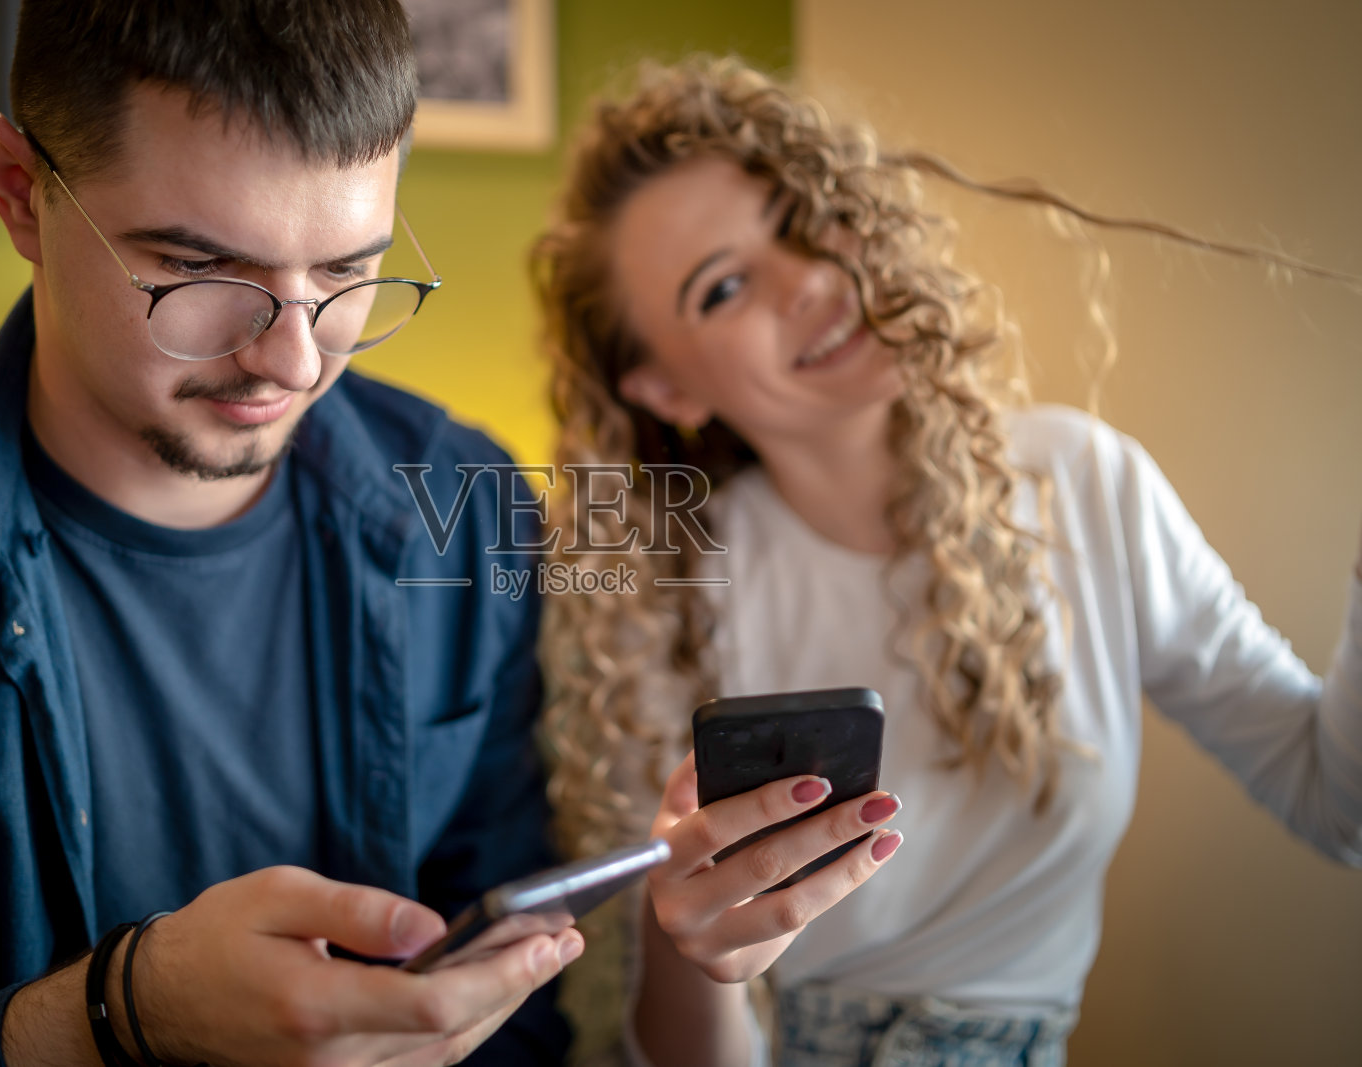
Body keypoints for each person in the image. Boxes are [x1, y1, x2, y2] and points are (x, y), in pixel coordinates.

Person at [0, 2, 580, 1064]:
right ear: (18, 188)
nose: (293, 363)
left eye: (344, 273)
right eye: (202, 270)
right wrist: (123, 1013)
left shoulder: (467, 502)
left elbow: (520, 1004)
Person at [531, 56, 1362, 1066]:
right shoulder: (662, 591)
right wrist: (693, 944)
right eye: (725, 286)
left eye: (800, 221)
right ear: (666, 389)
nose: (809, 282)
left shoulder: (1083, 485)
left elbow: (1336, 802)